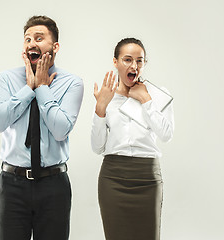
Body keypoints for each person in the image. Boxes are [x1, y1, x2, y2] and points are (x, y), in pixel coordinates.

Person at [0, 15, 84, 240]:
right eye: (27, 39)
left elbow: (61, 130)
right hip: (11, 184)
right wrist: (28, 88)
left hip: (53, 185)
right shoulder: (7, 79)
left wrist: (42, 88)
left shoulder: (72, 82)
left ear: (55, 46)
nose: (32, 43)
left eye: (39, 38)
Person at [91, 38, 174, 240]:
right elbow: (97, 147)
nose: (134, 66)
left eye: (139, 60)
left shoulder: (158, 95)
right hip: (113, 177)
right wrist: (100, 108)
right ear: (116, 62)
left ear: (144, 64)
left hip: (147, 177)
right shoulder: (107, 97)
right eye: (127, 59)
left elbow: (166, 135)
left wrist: (145, 100)